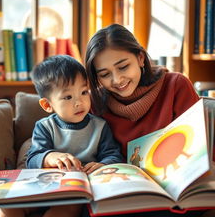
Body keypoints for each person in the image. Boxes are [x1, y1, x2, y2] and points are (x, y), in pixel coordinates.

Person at [84, 23, 210, 217]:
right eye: (105, 74)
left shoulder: (175, 85)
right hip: (121, 193)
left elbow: (201, 149)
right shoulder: (94, 101)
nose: (117, 80)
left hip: (173, 193)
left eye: (123, 66)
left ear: (141, 58)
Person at [0, 54, 123, 217]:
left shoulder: (100, 126)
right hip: (42, 186)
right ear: (48, 105)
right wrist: (50, 157)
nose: (79, 102)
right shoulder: (45, 127)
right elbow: (33, 158)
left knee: (66, 210)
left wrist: (104, 164)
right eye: (68, 97)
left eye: (84, 92)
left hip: (73, 193)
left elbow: (113, 155)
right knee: (5, 208)